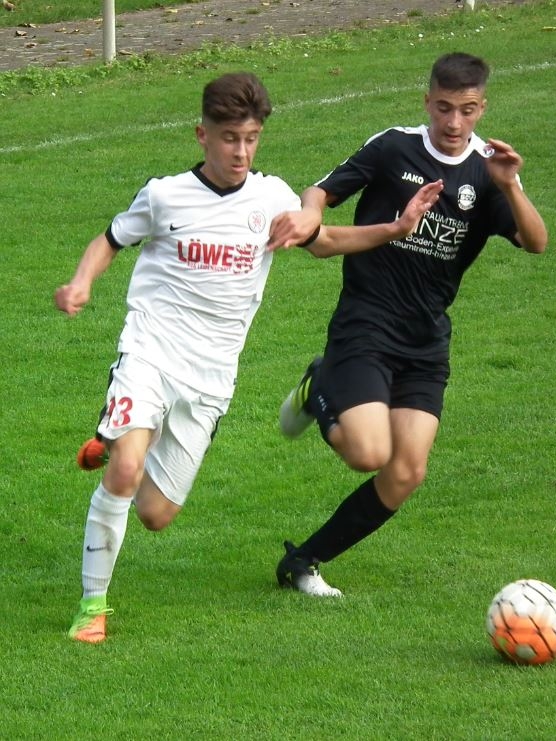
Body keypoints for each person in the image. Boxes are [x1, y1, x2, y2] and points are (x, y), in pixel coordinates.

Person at [55, 71, 443, 643]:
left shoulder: (271, 199)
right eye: (230, 138)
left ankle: (115, 438)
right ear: (202, 135)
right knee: (128, 470)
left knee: (156, 515)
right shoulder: (164, 195)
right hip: (150, 350)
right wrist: (81, 282)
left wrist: (396, 227)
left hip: (211, 378)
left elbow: (325, 243)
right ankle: (92, 607)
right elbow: (110, 240)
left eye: (252, 139)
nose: (241, 151)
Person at [270, 52, 548, 597]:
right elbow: (322, 190)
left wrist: (511, 185)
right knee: (368, 454)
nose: (453, 122)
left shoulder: (487, 172)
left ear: (481, 108)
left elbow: (535, 242)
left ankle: (302, 561)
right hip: (366, 324)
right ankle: (320, 383)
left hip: (426, 341)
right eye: (443, 108)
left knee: (406, 471)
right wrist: (309, 214)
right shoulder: (394, 147)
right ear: (427, 102)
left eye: (466, 110)